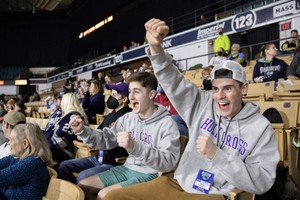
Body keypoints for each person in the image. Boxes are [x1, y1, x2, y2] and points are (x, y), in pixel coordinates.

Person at [103, 18, 280, 200]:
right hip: (179, 182)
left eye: (228, 88)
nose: (220, 96)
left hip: (214, 194)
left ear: (244, 89)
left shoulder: (261, 127)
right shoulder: (203, 104)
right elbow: (174, 83)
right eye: (216, 88)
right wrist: (156, 49)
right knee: (113, 198)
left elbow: (262, 182)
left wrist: (217, 156)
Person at [69, 71, 180, 199]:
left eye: (136, 91)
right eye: (130, 91)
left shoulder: (167, 124)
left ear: (151, 94)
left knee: (105, 195)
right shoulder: (128, 118)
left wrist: (135, 147)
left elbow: (169, 162)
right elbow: (106, 139)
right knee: (83, 187)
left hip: (151, 174)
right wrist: (83, 131)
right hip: (127, 168)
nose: (131, 96)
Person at [59, 82, 132, 184]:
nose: (110, 97)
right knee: (64, 166)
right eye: (111, 94)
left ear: (124, 99)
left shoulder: (128, 116)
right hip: (98, 157)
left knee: (82, 177)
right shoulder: (110, 114)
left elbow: (108, 139)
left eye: (114, 95)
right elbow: (99, 133)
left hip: (113, 162)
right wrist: (82, 129)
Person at [0, 123, 54, 200]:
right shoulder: (18, 157)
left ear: (25, 144)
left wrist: (4, 187)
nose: (9, 143)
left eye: (11, 140)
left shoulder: (32, 163)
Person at [44, 93, 88, 167]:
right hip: (55, 149)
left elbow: (59, 141)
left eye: (62, 101)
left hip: (64, 153)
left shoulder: (73, 117)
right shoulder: (66, 115)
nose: (61, 103)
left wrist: (43, 147)